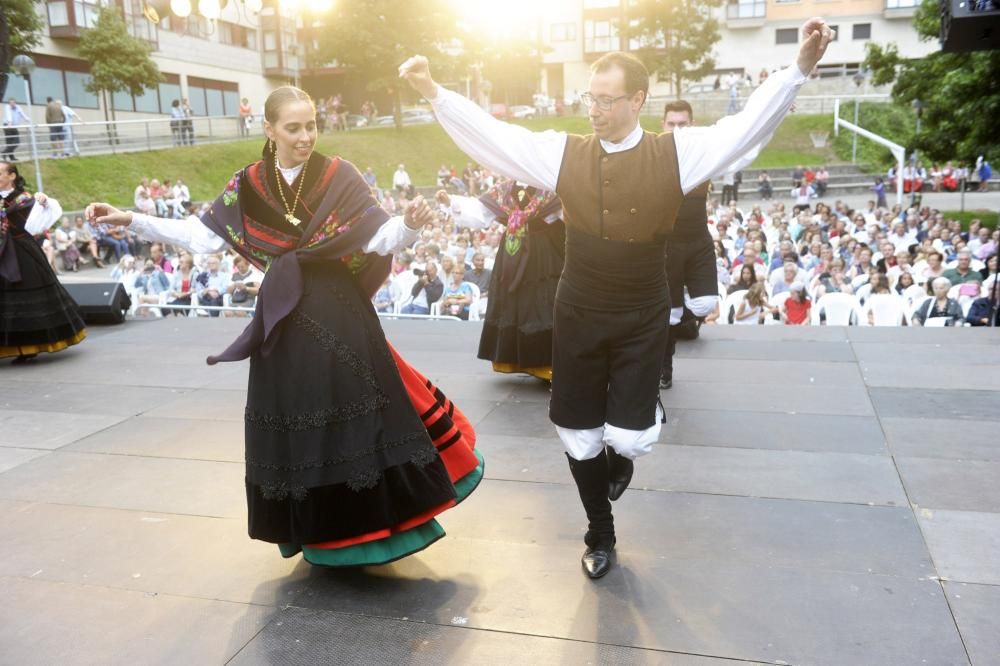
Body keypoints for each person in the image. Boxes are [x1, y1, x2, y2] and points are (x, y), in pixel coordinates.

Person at [401, 17, 835, 579]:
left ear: (637, 100)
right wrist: (434, 93)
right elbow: (495, 137)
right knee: (579, 434)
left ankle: (628, 442)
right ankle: (598, 531)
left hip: (640, 311)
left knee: (628, 435)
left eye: (606, 100)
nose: (594, 110)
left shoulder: (679, 153)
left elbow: (745, 127)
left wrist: (798, 69)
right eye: (590, 98)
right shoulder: (564, 153)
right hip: (577, 307)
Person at [85, 86, 483, 567]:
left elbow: (378, 236)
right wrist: (131, 219)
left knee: (359, 418)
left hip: (339, 315)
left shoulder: (340, 174)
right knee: (301, 423)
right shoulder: (248, 184)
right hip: (283, 321)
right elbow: (203, 237)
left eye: (311, 125)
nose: (305, 137)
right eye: (293, 128)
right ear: (269, 129)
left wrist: (410, 225)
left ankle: (380, 531)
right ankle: (321, 536)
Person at [441, 178, 565, 381]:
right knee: (514, 302)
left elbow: (570, 214)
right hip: (512, 252)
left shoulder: (551, 188)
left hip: (544, 255)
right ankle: (513, 359)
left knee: (541, 303)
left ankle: (546, 362)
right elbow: (480, 214)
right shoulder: (505, 191)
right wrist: (450, 202)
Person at [1, 162, 86, 362]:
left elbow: (46, 215)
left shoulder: (26, 199)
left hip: (22, 251)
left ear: (12, 175)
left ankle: (29, 345)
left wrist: (44, 201)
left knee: (26, 293)